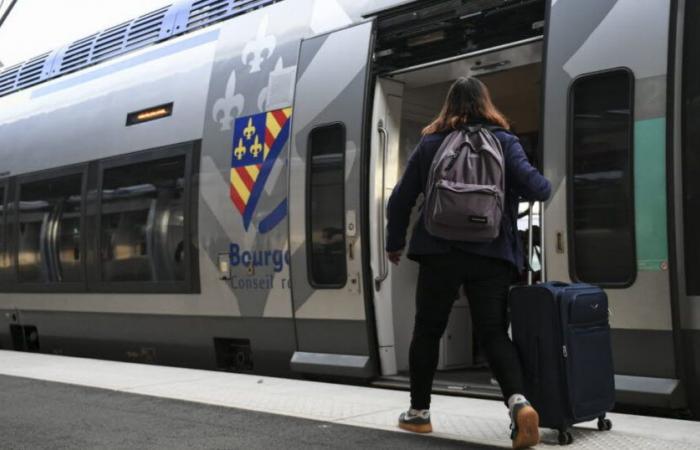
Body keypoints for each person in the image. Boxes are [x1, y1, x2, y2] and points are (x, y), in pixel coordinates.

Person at [386, 77, 551, 449]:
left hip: (438, 252)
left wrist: (394, 244)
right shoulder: (505, 142)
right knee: (493, 332)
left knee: (427, 330)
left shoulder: (431, 144)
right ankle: (519, 403)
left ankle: (419, 415)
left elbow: (399, 200)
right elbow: (538, 189)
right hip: (492, 253)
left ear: (448, 105)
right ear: (486, 103)